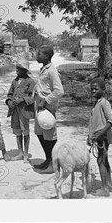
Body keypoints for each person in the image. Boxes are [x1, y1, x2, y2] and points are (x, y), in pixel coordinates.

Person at [32, 46, 64, 174]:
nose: (36, 55)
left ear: (46, 56)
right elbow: (42, 85)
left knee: (50, 135)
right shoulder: (43, 69)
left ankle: (53, 164)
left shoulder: (51, 70)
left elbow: (59, 91)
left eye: (39, 53)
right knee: (40, 133)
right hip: (39, 106)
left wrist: (46, 100)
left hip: (47, 107)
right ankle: (48, 160)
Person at [88, 77, 112, 196]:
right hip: (98, 137)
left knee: (101, 160)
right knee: (104, 159)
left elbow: (111, 121)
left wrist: (99, 134)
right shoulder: (96, 103)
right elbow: (93, 122)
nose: (93, 91)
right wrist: (89, 136)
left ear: (103, 90)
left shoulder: (104, 103)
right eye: (92, 89)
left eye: (96, 89)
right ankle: (109, 184)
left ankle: (104, 188)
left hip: (103, 137)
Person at [6, 57, 36, 163]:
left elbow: (32, 98)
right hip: (14, 111)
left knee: (25, 131)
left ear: (25, 70)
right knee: (17, 131)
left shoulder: (30, 82)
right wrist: (9, 101)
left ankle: (26, 155)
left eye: (19, 69)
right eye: (16, 68)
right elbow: (9, 94)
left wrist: (22, 100)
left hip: (24, 110)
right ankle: (20, 152)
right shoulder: (14, 81)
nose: (17, 70)